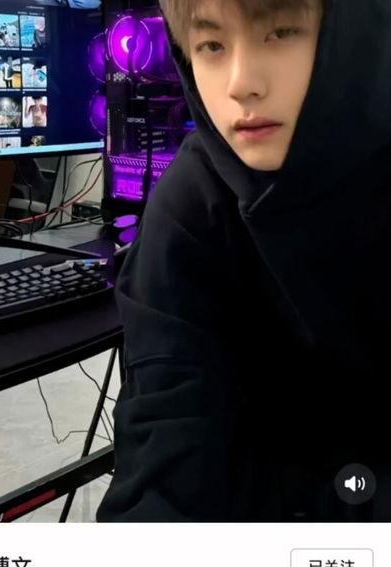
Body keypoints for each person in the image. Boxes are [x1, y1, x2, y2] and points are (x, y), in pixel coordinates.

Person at [96, 0, 391, 523]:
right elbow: (165, 439)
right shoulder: (193, 201)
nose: (241, 84)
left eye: (280, 32)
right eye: (211, 45)